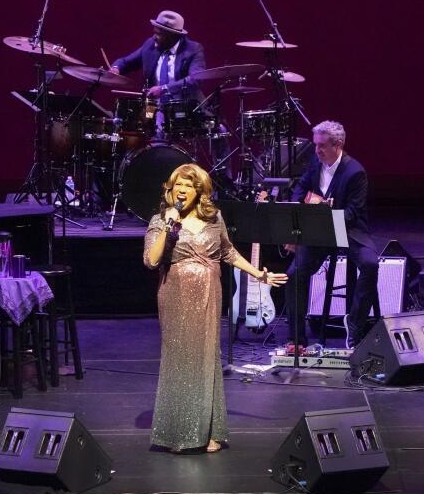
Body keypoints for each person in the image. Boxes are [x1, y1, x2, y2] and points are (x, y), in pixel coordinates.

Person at [143, 163, 286, 453]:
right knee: (180, 359)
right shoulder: (161, 220)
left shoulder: (214, 217)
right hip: (175, 295)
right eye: (177, 185)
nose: (182, 190)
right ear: (170, 189)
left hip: (209, 294)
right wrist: (169, 226)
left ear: (200, 190)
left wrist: (258, 274)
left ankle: (210, 431)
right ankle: (178, 431)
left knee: (207, 358)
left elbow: (227, 252)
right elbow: (151, 260)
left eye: (189, 185)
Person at [283, 120, 379, 348]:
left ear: (338, 145)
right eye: (316, 145)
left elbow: (353, 212)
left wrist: (326, 214)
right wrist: (300, 210)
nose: (316, 150)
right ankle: (297, 339)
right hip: (320, 231)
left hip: (350, 230)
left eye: (322, 146)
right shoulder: (315, 165)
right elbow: (300, 189)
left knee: (370, 265)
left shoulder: (355, 172)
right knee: (294, 274)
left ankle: (354, 326)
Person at [111, 10, 207, 137]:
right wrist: (116, 68)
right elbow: (126, 62)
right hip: (152, 106)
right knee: (141, 125)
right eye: (154, 32)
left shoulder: (193, 49)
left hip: (183, 106)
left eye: (159, 34)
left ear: (173, 36)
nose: (154, 37)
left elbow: (196, 78)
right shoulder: (150, 45)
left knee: (218, 130)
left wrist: (164, 89)